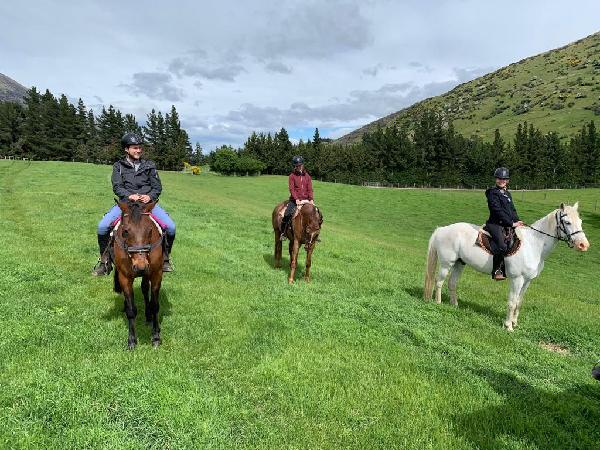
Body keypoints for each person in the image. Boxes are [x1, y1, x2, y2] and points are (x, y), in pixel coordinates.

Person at [91, 132, 176, 275]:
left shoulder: (150, 165)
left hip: (147, 205)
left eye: (140, 148)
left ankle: (165, 259)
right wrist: (129, 195)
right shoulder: (118, 166)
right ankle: (105, 262)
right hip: (126, 204)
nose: (139, 150)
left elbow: (157, 187)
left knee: (171, 227)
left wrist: (149, 196)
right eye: (135, 148)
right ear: (126, 149)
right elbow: (117, 187)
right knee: (102, 227)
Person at [485, 167, 524, 280]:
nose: (501, 180)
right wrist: (511, 224)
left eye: (504, 179)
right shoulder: (492, 193)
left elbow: (512, 210)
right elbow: (497, 211)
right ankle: (497, 270)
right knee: (502, 246)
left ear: (507, 180)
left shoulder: (507, 194)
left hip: (508, 223)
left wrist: (517, 221)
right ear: (496, 179)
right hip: (495, 224)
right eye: (499, 178)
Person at [280, 155, 314, 240]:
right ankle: (283, 233)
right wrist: (296, 199)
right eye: (297, 166)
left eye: (300, 165)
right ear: (295, 166)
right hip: (295, 200)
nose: (299, 167)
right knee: (287, 214)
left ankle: (314, 235)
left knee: (315, 214)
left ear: (303, 164)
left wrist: (311, 199)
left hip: (306, 200)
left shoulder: (307, 176)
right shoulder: (292, 176)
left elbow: (310, 189)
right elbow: (292, 189)